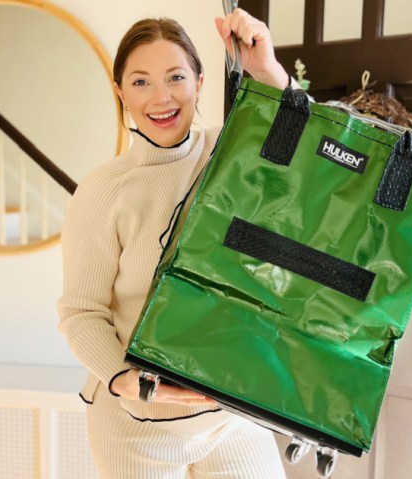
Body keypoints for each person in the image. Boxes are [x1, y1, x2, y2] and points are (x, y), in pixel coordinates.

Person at [57, 8, 295, 479]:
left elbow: (303, 145)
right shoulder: (105, 190)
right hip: (137, 425)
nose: (161, 97)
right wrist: (127, 381)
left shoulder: (231, 151)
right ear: (120, 91)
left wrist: (265, 69)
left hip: (232, 415)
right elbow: (81, 312)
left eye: (176, 77)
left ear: (200, 83)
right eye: (141, 81)